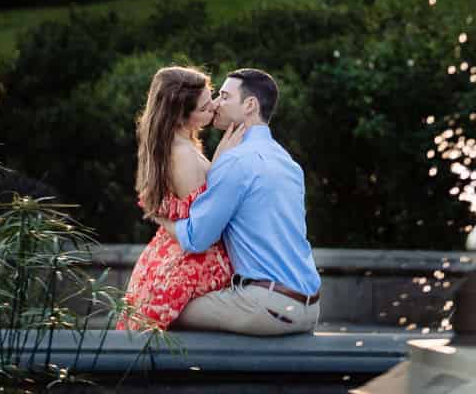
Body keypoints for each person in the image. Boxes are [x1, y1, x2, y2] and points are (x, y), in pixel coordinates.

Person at [167, 67, 323, 337]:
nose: (215, 104)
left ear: (250, 105)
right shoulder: (287, 162)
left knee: (158, 307)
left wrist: (159, 217)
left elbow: (197, 238)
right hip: (310, 308)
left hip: (268, 307)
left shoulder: (236, 160)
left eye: (225, 97)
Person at [116, 66, 233, 332]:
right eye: (204, 107)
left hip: (169, 253)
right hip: (192, 260)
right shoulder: (182, 156)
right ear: (181, 117)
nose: (214, 107)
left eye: (211, 97)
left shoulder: (177, 144)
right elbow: (201, 227)